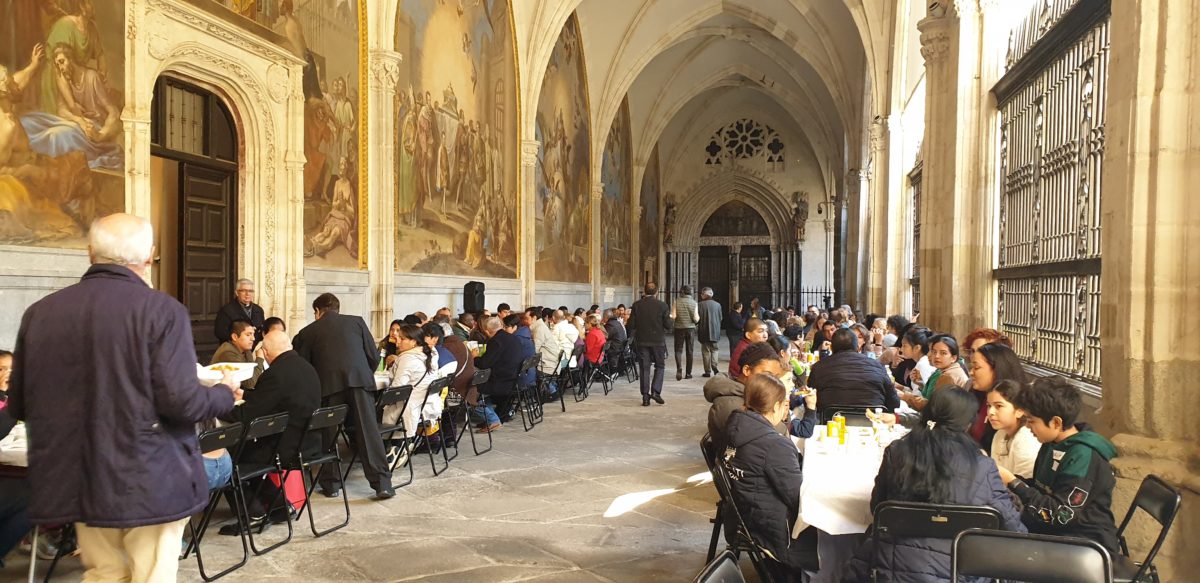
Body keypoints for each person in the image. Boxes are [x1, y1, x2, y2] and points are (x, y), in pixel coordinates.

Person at [7, 213, 238, 582]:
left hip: (83, 477)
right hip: (150, 479)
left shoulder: (41, 314)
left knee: (105, 574)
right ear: (149, 257)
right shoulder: (161, 311)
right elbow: (183, 403)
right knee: (151, 576)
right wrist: (224, 395)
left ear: (89, 253)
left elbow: (19, 404)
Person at [843, 388, 1025, 583]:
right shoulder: (982, 466)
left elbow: (877, 507)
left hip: (894, 569)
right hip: (962, 572)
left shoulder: (897, 451)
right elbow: (1012, 527)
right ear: (967, 425)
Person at [998, 376, 1119, 554]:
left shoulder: (1083, 455)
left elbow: (1060, 514)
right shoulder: (1052, 443)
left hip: (1083, 542)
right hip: (1056, 531)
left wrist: (1014, 483)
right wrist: (1008, 479)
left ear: (1056, 422)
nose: (1028, 427)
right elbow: (1041, 489)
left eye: (1031, 421)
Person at [293, 293, 394, 500]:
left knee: (329, 436)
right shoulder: (356, 322)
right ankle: (382, 484)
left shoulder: (307, 332)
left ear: (317, 312)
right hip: (359, 382)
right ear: (337, 308)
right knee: (368, 431)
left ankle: (331, 485)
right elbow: (373, 356)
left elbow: (304, 367)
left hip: (328, 387)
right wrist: (363, 373)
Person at [219, 330, 321, 535]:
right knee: (243, 451)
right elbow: (272, 397)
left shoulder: (276, 373)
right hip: (309, 442)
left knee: (227, 457)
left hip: (284, 447)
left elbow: (246, 415)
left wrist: (217, 403)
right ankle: (280, 507)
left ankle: (253, 514)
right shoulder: (306, 367)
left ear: (265, 352)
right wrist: (245, 393)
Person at [723, 374, 818, 581]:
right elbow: (799, 498)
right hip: (770, 528)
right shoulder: (772, 444)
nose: (786, 410)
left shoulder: (735, 426)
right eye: (784, 405)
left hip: (743, 514)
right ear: (775, 406)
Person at [705, 342, 815, 454]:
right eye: (766, 374)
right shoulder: (731, 405)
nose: (772, 381)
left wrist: (783, 416)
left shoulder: (754, 395)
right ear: (747, 370)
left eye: (775, 377)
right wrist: (780, 418)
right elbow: (770, 439)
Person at [806, 328, 900, 411]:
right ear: (857, 347)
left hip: (830, 423)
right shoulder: (877, 366)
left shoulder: (819, 368)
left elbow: (810, 400)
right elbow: (894, 403)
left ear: (831, 347)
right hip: (871, 422)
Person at [473, 316, 523, 431]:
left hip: (499, 382)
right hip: (512, 379)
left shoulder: (496, 341)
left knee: (470, 392)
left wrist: (474, 357)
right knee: (480, 391)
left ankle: (492, 420)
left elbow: (484, 364)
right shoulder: (513, 338)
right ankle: (491, 417)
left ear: (486, 330)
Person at [627, 283, 672, 407]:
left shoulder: (637, 305)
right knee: (660, 366)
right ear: (657, 292)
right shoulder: (662, 305)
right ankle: (656, 392)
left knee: (644, 368)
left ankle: (645, 397)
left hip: (642, 341)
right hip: (658, 341)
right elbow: (668, 325)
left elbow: (631, 325)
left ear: (644, 291)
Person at [987, 380, 1040, 477]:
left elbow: (1022, 486)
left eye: (998, 406)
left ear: (1019, 411)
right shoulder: (1000, 434)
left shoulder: (1026, 439)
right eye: (989, 406)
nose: (991, 412)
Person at [901, 333, 968, 411]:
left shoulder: (948, 375)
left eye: (943, 353)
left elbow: (933, 407)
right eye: (934, 352)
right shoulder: (945, 370)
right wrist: (921, 384)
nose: (936, 356)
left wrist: (905, 396)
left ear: (953, 358)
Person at [210, 320, 266, 389]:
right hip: (218, 394)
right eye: (248, 335)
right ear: (235, 337)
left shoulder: (245, 348)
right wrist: (260, 358)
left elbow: (252, 373)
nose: (253, 338)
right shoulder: (228, 352)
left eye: (253, 334)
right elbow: (250, 383)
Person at [214, 278, 266, 345]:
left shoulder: (258, 310)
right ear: (237, 292)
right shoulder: (226, 310)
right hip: (234, 348)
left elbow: (262, 330)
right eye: (244, 291)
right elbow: (220, 333)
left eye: (250, 291)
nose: (247, 294)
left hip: (253, 349)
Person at [671, 285, 699, 380]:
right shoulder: (694, 303)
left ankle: (679, 367)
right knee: (690, 351)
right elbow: (696, 318)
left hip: (679, 328)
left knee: (678, 350)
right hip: (690, 329)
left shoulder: (676, 301)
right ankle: (688, 373)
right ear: (691, 292)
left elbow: (673, 316)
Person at [697, 288, 723, 378]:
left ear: (704, 295)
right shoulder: (718, 305)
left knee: (705, 351)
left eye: (701, 294)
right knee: (715, 350)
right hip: (715, 331)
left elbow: (697, 318)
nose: (701, 296)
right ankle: (714, 366)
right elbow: (720, 318)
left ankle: (707, 371)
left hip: (703, 331)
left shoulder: (700, 305)